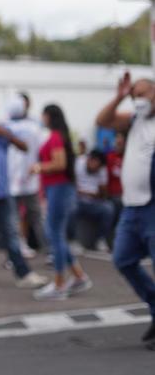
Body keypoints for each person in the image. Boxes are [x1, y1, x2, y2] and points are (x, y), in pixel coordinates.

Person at [95, 73, 155, 347]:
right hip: (132, 208)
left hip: (152, 206)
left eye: (141, 94)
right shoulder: (135, 120)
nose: (137, 100)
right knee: (123, 259)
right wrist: (119, 96)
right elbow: (102, 121)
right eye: (134, 96)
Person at [0, 98, 48, 289]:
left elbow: (24, 147)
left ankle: (23, 273)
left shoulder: (1, 129)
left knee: (11, 233)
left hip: (3, 190)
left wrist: (5, 134)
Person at [32, 104, 92, 300]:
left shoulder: (56, 137)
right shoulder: (59, 136)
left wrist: (39, 167)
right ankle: (78, 276)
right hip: (57, 189)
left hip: (59, 188)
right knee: (56, 234)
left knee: (54, 234)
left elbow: (60, 163)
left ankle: (59, 283)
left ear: (49, 116)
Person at [6, 92, 46, 258]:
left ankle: (17, 251)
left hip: (12, 180)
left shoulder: (4, 127)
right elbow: (42, 149)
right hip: (30, 178)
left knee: (15, 218)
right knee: (36, 217)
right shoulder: (35, 127)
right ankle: (50, 250)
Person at [74, 149, 114, 251]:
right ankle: (74, 240)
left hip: (94, 202)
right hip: (77, 200)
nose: (97, 170)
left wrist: (91, 193)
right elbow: (73, 188)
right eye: (97, 165)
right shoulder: (78, 163)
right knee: (70, 207)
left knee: (108, 209)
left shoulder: (102, 169)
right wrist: (88, 193)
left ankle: (101, 240)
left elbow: (102, 194)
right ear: (91, 160)